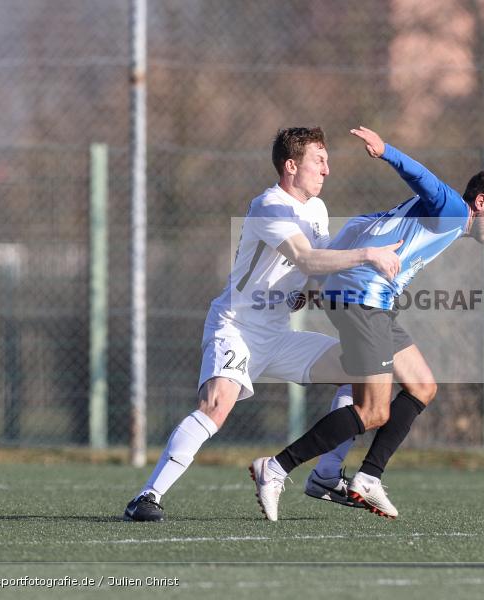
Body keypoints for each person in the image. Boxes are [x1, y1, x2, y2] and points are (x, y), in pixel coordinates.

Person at [123, 126, 403, 521]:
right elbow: (306, 259)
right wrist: (367, 254)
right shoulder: (270, 205)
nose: (327, 170)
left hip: (277, 333)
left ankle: (327, 474)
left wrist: (317, 289)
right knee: (216, 407)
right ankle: (146, 498)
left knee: (360, 372)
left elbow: (314, 271)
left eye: (327, 161)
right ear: (291, 166)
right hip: (236, 326)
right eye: (318, 161)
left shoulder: (317, 211)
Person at [250, 126, 484, 520]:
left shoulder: (438, 218)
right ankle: (276, 467)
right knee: (373, 411)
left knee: (422, 386)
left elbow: (359, 226)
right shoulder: (453, 210)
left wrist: (316, 285)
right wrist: (387, 152)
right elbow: (425, 180)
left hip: (371, 303)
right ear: (481, 201)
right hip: (363, 303)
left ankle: (359, 478)